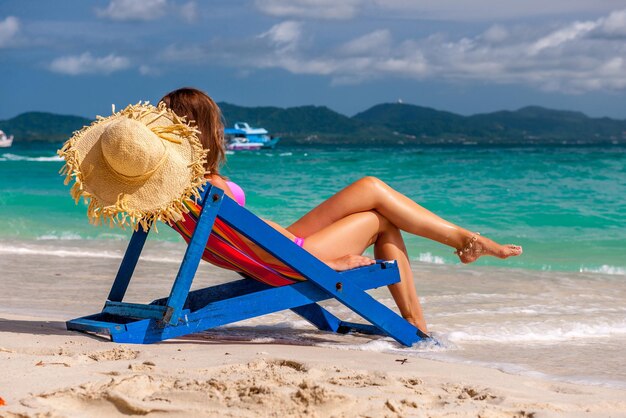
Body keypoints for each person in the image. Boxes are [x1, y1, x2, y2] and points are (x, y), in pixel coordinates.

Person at [160, 87, 523, 334]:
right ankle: (423, 315)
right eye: (216, 124)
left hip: (277, 250)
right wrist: (325, 265)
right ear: (205, 130)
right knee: (379, 220)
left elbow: (244, 242)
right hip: (286, 259)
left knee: (369, 187)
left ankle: (462, 244)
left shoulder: (175, 190)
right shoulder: (212, 187)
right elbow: (253, 246)